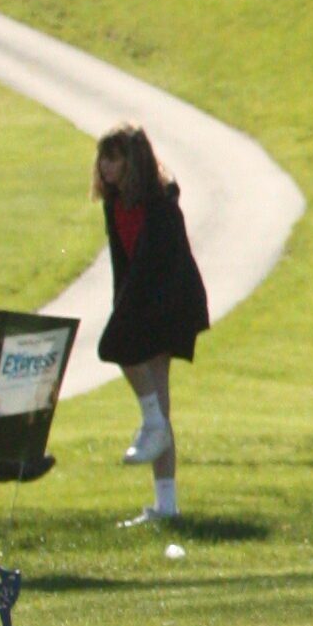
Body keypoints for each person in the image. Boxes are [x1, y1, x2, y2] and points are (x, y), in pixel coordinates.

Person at [92, 126, 209, 525]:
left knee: (112, 347)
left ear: (133, 160)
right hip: (144, 299)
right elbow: (122, 264)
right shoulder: (114, 203)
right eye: (102, 158)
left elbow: (157, 265)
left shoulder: (159, 203)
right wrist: (119, 303)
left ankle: (153, 425)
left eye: (114, 157)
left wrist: (125, 314)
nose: (105, 166)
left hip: (171, 302)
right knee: (159, 403)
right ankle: (167, 506)